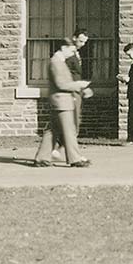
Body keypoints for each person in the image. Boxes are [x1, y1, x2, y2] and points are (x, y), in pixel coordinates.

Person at [33, 32, 92, 167]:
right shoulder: (56, 62)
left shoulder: (58, 61)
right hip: (62, 102)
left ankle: (41, 158)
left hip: (59, 101)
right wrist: (79, 85)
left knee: (52, 131)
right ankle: (75, 159)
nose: (72, 53)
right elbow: (61, 84)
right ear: (63, 48)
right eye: (71, 50)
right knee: (69, 130)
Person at [52, 30, 92, 160]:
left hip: (76, 90)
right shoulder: (66, 57)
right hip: (70, 91)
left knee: (72, 123)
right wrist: (77, 86)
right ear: (74, 38)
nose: (83, 44)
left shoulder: (77, 53)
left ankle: (57, 150)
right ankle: (65, 151)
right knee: (72, 124)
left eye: (85, 42)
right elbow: (65, 77)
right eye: (80, 41)